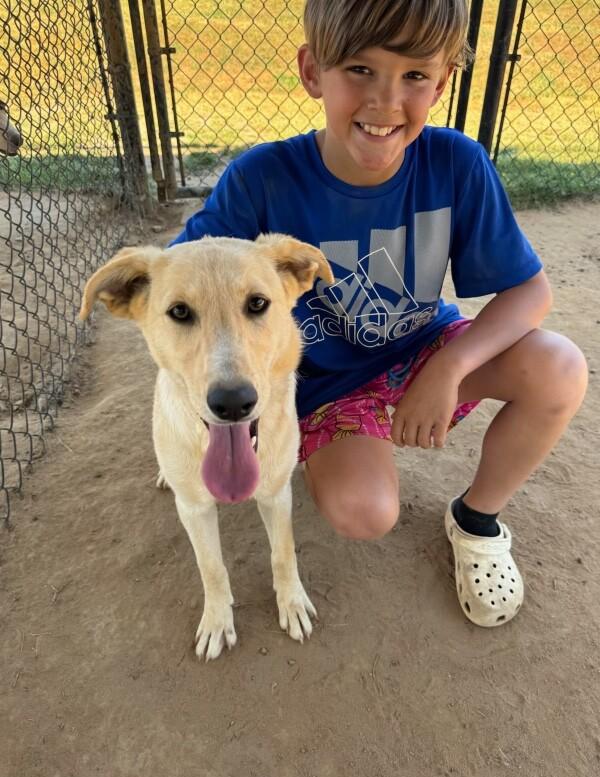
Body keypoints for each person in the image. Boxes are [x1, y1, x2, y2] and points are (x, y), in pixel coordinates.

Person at [170, 0, 588, 627]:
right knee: (363, 512)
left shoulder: (456, 163)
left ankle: (476, 521)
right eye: (360, 69)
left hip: (422, 348)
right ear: (314, 72)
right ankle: (330, 445)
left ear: (442, 82)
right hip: (328, 380)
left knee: (558, 367)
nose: (387, 101)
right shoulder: (263, 178)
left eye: (415, 76)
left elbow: (530, 294)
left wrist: (449, 368)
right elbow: (185, 277)